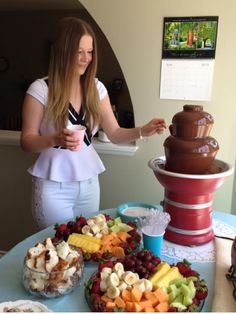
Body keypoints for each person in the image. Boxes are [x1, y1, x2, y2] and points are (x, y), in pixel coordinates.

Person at [20, 17, 166, 230]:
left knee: (88, 244)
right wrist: (55, 139)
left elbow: (114, 133)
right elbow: (27, 141)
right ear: (62, 51)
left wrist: (142, 131)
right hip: (53, 188)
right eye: (79, 51)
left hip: (89, 184)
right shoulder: (41, 89)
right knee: (58, 249)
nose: (86, 58)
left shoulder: (96, 88)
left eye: (89, 52)